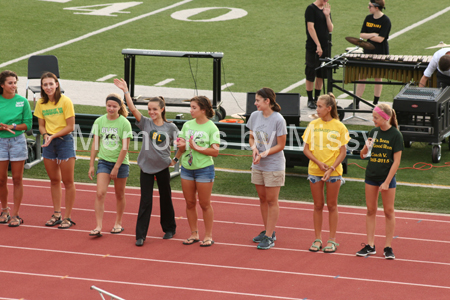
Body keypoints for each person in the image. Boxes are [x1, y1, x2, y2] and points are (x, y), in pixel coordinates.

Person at [114, 78, 179, 246]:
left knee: (166, 198)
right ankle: (140, 235)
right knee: (145, 201)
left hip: (163, 167)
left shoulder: (170, 128)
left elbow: (182, 144)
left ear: (162, 109)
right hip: (146, 167)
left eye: (155, 109)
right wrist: (125, 91)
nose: (151, 112)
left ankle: (169, 228)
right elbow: (133, 108)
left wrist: (175, 160)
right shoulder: (145, 123)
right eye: (149, 109)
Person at [303, 93, 349, 253]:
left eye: (320, 106)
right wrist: (318, 163)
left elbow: (343, 152)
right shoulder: (312, 125)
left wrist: (331, 168)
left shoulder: (340, 127)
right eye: (316, 106)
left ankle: (332, 239)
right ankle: (317, 238)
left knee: (331, 205)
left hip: (334, 173)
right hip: (315, 171)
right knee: (317, 205)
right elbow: (306, 149)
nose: (317, 109)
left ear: (329, 108)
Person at [357, 103, 403, 259]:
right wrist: (365, 147)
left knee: (389, 211)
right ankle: (370, 245)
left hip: (387, 178)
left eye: (375, 117)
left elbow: (396, 162)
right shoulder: (374, 132)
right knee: (370, 210)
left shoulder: (396, 135)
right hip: (371, 176)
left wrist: (387, 182)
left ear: (385, 118)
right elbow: (363, 156)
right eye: (373, 117)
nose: (373, 120)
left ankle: (388, 247)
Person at [175, 96, 220, 247]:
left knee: (205, 204)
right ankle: (194, 233)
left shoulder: (211, 127)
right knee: (189, 203)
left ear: (203, 110)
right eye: (191, 107)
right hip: (187, 169)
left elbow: (215, 152)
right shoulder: (187, 125)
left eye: (194, 108)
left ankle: (208, 235)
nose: (191, 110)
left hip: (204, 170)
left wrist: (196, 147)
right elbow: (182, 148)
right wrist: (180, 145)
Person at [34, 72, 76, 229]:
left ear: (57, 84)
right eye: (45, 85)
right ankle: (57, 213)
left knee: (68, 181)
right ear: (42, 87)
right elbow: (41, 125)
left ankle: (68, 217)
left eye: (51, 84)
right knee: (54, 180)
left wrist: (53, 136)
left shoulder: (65, 101)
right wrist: (46, 135)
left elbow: (70, 126)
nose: (48, 87)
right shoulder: (41, 103)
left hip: (64, 141)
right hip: (49, 143)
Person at [88, 91, 132, 237]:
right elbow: (95, 143)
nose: (111, 109)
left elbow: (125, 147)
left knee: (119, 194)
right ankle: (98, 226)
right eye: (108, 106)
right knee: (100, 193)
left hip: (120, 164)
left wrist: (117, 167)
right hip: (104, 162)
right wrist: (92, 165)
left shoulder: (124, 123)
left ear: (119, 107)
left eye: (114, 106)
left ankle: (118, 223)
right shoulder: (99, 121)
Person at [247, 88, 287, 250]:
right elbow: (251, 137)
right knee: (262, 199)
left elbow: (281, 145)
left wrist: (264, 153)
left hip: (273, 165)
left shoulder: (278, 119)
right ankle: (267, 231)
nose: (255, 103)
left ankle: (270, 236)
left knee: (272, 200)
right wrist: (254, 149)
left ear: (267, 101)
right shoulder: (254, 116)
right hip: (258, 164)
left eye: (257, 100)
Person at [0, 70, 32, 227]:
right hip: (0, 141)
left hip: (18, 141)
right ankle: (4, 210)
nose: (13, 86)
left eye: (15, 83)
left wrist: (12, 126)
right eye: (10, 83)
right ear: (2, 85)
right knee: (1, 179)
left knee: (17, 179)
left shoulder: (22, 101)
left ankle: (15, 214)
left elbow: (28, 125)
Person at [346, 0, 391, 109]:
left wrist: (369, 36)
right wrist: (372, 35)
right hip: (367, 51)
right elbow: (362, 34)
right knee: (362, 76)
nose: (368, 8)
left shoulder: (386, 21)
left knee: (377, 77)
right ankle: (356, 102)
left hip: (380, 52)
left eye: (370, 6)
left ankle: (375, 103)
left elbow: (380, 39)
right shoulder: (368, 18)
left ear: (376, 7)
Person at [305, 0, 333, 109]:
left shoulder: (326, 9)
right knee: (311, 70)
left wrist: (327, 16)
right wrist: (318, 45)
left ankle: (317, 97)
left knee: (321, 73)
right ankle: (309, 98)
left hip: (325, 46)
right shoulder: (311, 9)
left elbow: (330, 29)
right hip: (313, 46)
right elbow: (310, 28)